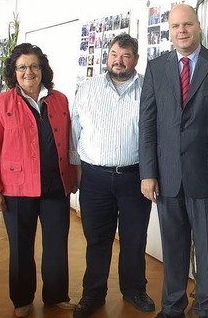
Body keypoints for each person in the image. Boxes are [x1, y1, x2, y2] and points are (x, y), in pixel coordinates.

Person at [139, 4, 208, 318]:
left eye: (188, 25)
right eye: (176, 26)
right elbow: (148, 124)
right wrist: (148, 173)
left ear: (199, 26)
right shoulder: (156, 68)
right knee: (173, 248)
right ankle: (173, 306)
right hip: (167, 177)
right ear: (170, 29)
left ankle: (207, 308)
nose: (182, 31)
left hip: (206, 175)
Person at [0, 43, 77, 317]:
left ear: (42, 69)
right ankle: (22, 299)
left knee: (57, 245)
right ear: (14, 72)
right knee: (21, 248)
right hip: (17, 189)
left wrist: (71, 177)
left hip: (55, 186)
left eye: (34, 66)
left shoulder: (59, 99)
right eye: (22, 67)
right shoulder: (0, 103)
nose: (28, 72)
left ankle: (56, 294)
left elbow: (68, 142)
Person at [70, 33, 155, 318]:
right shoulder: (88, 88)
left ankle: (134, 290)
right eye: (114, 55)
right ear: (107, 57)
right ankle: (93, 293)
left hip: (135, 178)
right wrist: (76, 171)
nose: (119, 61)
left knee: (134, 239)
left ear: (136, 59)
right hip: (94, 178)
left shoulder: (148, 89)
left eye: (126, 56)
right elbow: (74, 132)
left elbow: (154, 135)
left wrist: (152, 174)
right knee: (97, 239)